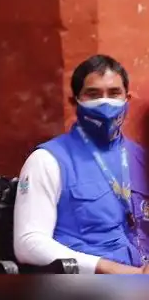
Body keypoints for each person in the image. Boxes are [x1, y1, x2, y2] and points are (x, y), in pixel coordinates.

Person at [14, 54, 149, 274]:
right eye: (93, 94)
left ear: (128, 99)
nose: (105, 103)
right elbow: (28, 243)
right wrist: (105, 268)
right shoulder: (48, 160)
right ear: (74, 101)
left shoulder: (142, 158)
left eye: (114, 93)